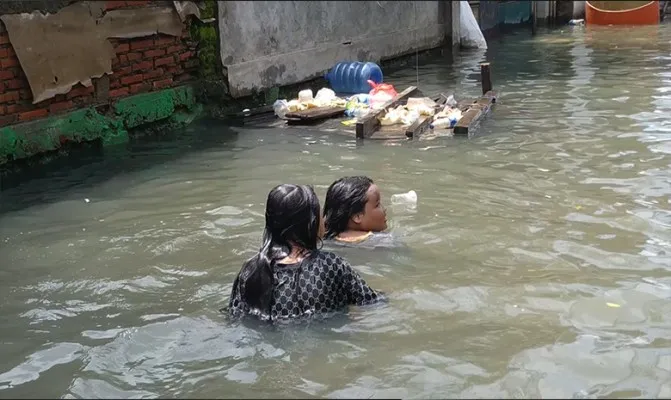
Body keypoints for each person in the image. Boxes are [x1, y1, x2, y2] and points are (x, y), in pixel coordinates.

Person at [225, 183, 385, 322]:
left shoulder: (250, 271)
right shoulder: (331, 265)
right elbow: (372, 302)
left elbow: (235, 316)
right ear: (311, 223)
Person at [323, 176, 397, 248]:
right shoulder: (385, 241)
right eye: (377, 205)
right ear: (357, 216)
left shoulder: (320, 239)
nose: (384, 209)